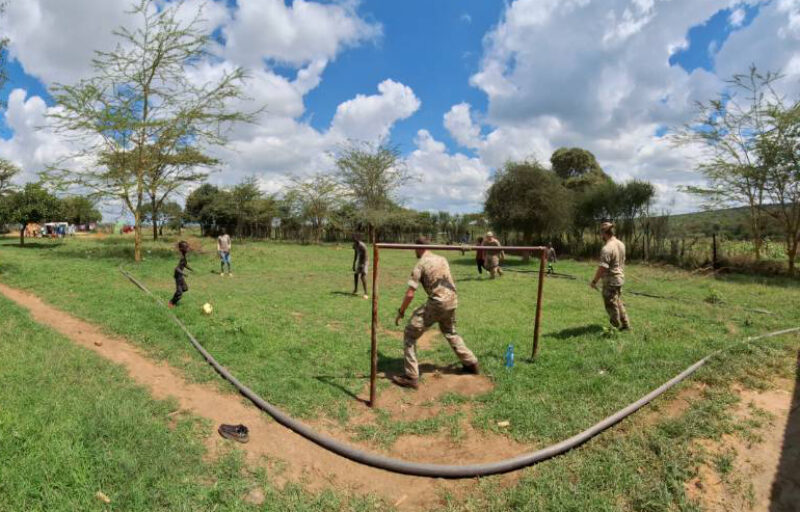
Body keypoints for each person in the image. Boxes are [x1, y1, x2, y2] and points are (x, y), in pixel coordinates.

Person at [392, 237, 479, 389]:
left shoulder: (420, 264)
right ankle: (471, 363)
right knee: (450, 332)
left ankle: (411, 377)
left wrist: (401, 311)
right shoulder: (442, 259)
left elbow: (410, 293)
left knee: (410, 334)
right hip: (452, 300)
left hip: (437, 303)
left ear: (419, 248)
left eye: (414, 249)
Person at [590, 222, 630, 330]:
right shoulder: (621, 244)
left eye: (601, 233)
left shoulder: (607, 248)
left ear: (604, 233)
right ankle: (626, 324)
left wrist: (594, 281)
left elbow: (603, 267)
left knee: (610, 305)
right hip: (620, 278)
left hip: (610, 281)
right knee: (617, 301)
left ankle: (614, 328)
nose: (600, 236)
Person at [168, 241, 193, 308]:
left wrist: (190, 269)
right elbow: (177, 269)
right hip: (178, 277)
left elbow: (184, 264)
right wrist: (184, 273)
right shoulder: (181, 257)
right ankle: (171, 302)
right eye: (186, 247)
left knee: (185, 288)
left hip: (180, 276)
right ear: (182, 249)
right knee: (179, 293)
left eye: (187, 247)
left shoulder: (184, 256)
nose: (188, 248)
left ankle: (177, 295)